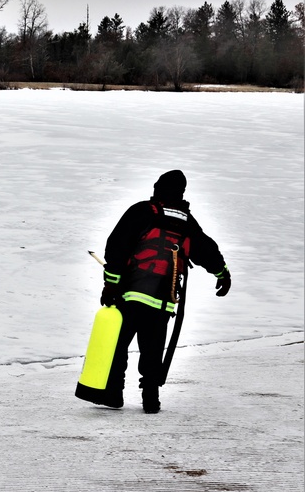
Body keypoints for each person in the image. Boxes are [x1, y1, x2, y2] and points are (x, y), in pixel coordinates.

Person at [97, 169, 230, 413]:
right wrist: (222, 274)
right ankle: (151, 400)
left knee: (118, 345)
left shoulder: (142, 211)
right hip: (163, 301)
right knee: (153, 349)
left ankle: (114, 394)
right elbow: (206, 250)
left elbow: (116, 247)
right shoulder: (187, 222)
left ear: (158, 187)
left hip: (131, 295)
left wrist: (110, 285)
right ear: (181, 193)